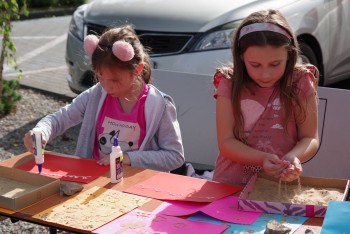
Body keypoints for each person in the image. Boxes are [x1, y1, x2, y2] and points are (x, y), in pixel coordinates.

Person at [23, 25, 185, 172]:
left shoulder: (159, 105)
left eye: (115, 80)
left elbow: (175, 156)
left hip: (137, 187)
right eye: (100, 77)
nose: (107, 87)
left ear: (138, 70)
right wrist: (41, 131)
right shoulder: (95, 95)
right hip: (94, 178)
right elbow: (59, 119)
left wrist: (128, 158)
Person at [212, 9, 319, 186]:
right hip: (231, 184)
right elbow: (226, 142)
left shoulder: (300, 81)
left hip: (280, 184)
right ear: (241, 57)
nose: (265, 74)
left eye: (275, 64)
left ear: (290, 54)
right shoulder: (229, 82)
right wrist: (263, 158)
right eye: (255, 65)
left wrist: (293, 157)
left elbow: (310, 138)